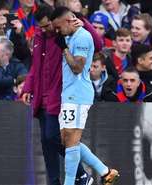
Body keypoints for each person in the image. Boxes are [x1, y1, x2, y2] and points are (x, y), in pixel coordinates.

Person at [22, 4, 93, 185]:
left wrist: (83, 22)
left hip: (60, 97)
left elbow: (98, 44)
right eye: (41, 27)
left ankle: (81, 173)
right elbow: (35, 67)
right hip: (41, 98)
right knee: (47, 144)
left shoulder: (68, 35)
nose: (45, 30)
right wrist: (27, 88)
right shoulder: (38, 37)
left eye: (47, 26)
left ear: (55, 22)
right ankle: (54, 181)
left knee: (54, 137)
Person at [50, 6, 119, 185]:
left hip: (79, 94)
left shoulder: (82, 36)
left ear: (68, 21)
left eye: (58, 27)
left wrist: (64, 48)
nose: (57, 31)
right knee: (66, 141)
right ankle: (106, 171)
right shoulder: (69, 35)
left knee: (71, 141)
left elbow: (77, 67)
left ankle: (71, 182)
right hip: (70, 94)